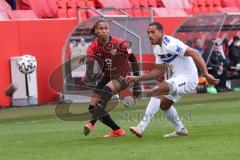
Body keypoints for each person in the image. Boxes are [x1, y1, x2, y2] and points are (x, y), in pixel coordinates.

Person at [125, 22, 219, 138]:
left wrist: (205, 74)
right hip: (178, 78)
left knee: (158, 89)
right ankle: (181, 129)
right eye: (148, 33)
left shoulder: (171, 44)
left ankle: (141, 127)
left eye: (153, 32)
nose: (150, 35)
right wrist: (137, 78)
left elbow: (194, 53)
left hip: (189, 77)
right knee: (164, 104)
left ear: (161, 33)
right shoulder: (157, 49)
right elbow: (160, 71)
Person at [83, 20, 141, 138]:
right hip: (107, 76)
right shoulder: (92, 47)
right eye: (101, 28)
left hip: (122, 76)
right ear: (96, 31)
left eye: (106, 28)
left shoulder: (120, 44)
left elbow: (134, 60)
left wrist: (136, 83)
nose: (104, 31)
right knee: (92, 107)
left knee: (105, 92)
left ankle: (91, 123)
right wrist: (89, 75)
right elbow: (90, 66)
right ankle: (117, 130)